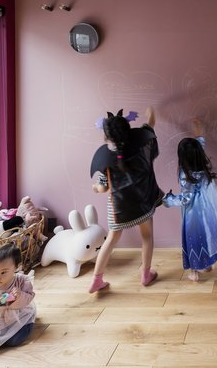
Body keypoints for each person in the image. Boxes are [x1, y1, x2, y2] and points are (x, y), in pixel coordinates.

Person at [88, 107, 163, 293]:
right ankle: (145, 275)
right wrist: (150, 113)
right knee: (147, 237)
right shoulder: (141, 145)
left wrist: (96, 188)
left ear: (106, 137)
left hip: (118, 209)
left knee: (111, 239)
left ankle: (97, 279)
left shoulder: (105, 159)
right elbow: (150, 124)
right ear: (129, 130)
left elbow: (103, 188)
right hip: (142, 204)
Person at [164, 119, 217, 282]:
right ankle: (208, 264)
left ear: (182, 158)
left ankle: (194, 271)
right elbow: (199, 146)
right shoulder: (202, 164)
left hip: (194, 215)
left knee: (194, 240)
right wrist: (198, 134)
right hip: (209, 208)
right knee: (208, 236)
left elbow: (185, 198)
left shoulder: (186, 175)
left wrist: (168, 200)